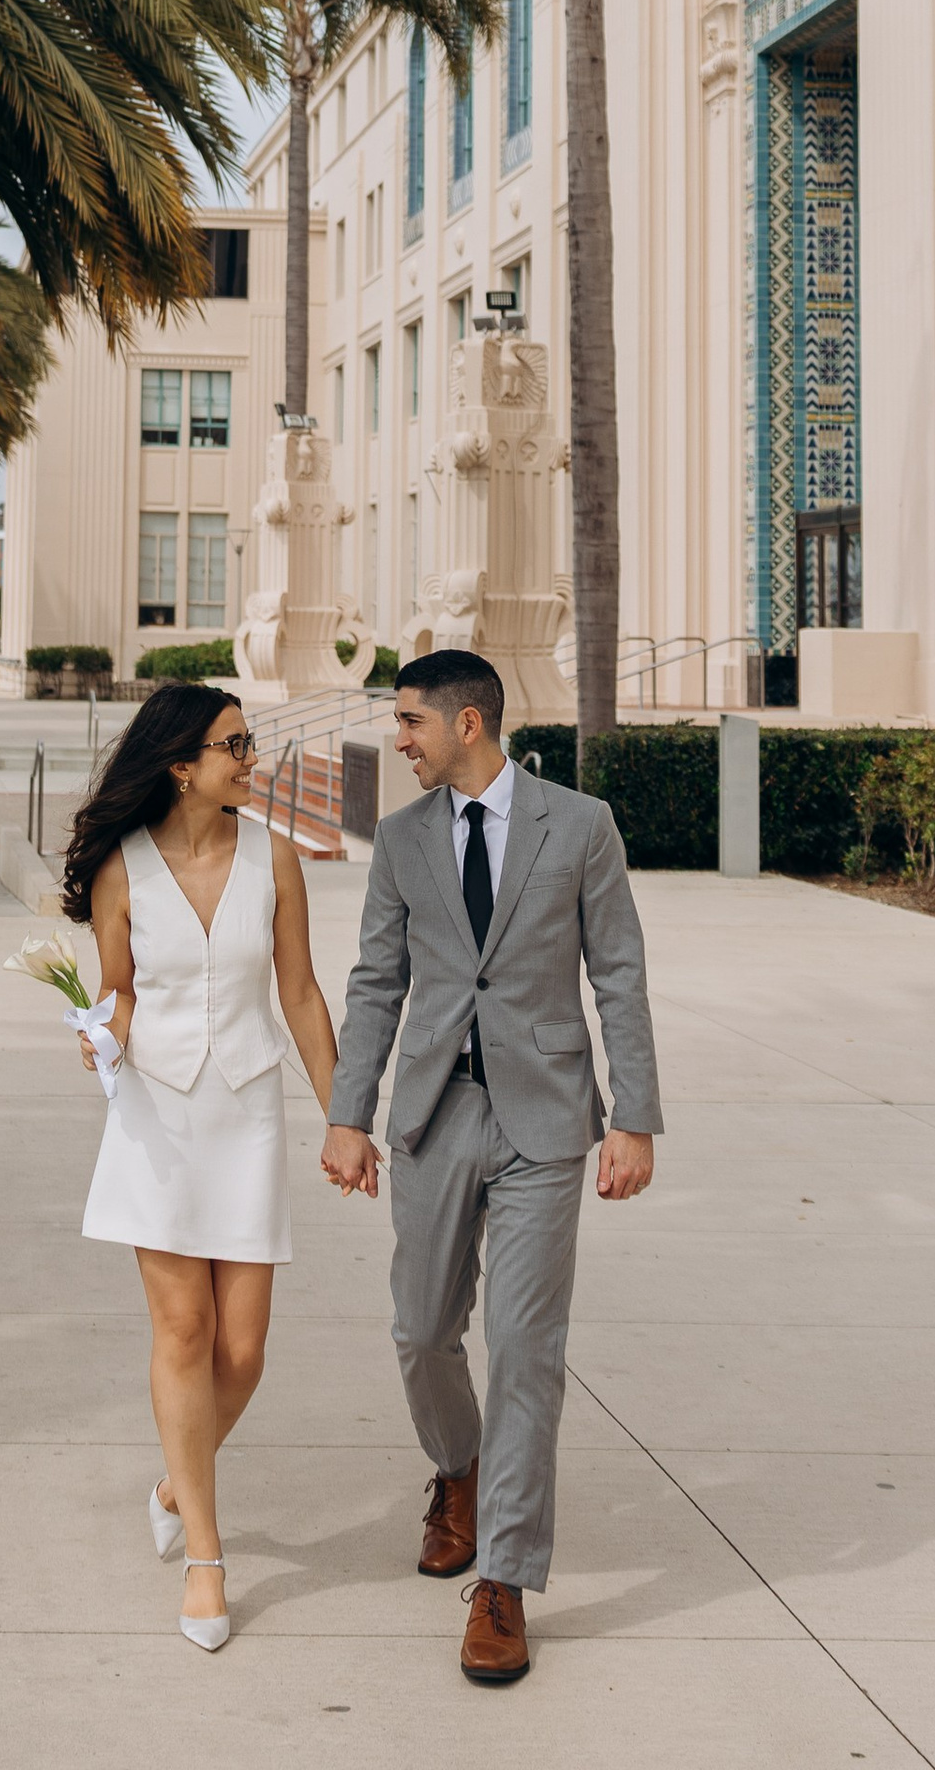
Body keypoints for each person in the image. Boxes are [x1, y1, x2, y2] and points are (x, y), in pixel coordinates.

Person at [320, 647, 662, 1688]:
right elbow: (377, 983)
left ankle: (505, 1580)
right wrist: (349, 1115)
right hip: (433, 1115)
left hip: (545, 1125)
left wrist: (633, 1119)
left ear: (467, 725)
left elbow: (618, 975)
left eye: (411, 720)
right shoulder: (401, 838)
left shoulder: (580, 825)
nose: (400, 737)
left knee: (525, 1347)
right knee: (422, 1331)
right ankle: (457, 1472)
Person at [63, 679, 345, 1654]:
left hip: (248, 1114)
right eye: (235, 745)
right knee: (183, 1331)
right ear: (182, 765)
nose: (251, 758)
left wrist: (342, 1116)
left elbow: (301, 993)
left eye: (250, 741)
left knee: (243, 1352)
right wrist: (101, 1038)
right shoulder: (119, 870)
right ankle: (207, 1558)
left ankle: (172, 1481)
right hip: (156, 1119)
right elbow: (119, 994)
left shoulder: (274, 857)